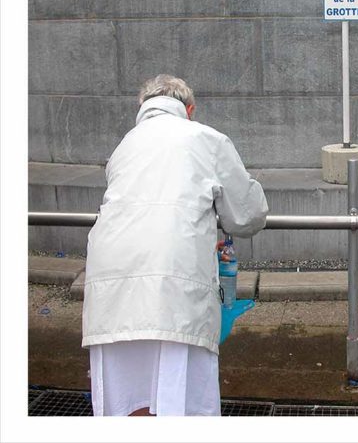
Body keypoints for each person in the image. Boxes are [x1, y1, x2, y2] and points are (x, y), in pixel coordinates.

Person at [82, 74, 268, 416]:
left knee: (127, 397)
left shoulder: (125, 145)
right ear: (190, 109)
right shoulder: (205, 137)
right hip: (174, 278)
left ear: (142, 108)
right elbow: (247, 215)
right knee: (178, 395)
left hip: (109, 282)